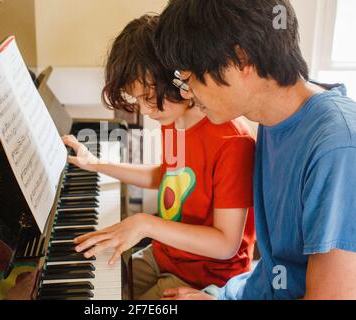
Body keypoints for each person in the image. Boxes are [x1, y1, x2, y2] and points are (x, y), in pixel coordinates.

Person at [153, 0, 356, 300]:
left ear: (240, 59)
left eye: (189, 77)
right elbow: (277, 270)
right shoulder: (275, 122)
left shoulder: (337, 147)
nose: (189, 92)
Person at [62, 14, 256, 300]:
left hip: (204, 277)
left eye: (148, 96)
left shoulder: (232, 141)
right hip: (164, 255)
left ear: (177, 76)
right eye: (137, 100)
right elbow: (166, 176)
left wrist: (145, 223)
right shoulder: (172, 119)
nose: (147, 110)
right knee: (95, 279)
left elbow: (226, 244)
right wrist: (97, 164)